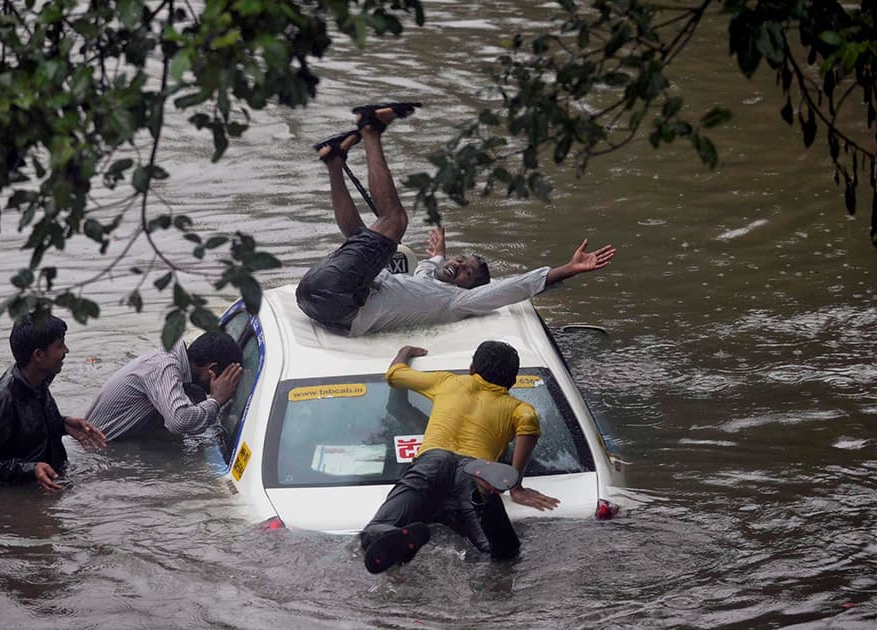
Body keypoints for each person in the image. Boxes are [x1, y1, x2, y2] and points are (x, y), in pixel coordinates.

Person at [296, 102, 618, 337]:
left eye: (466, 272)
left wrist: (568, 269)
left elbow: (515, 287)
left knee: (394, 220)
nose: (459, 266)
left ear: (472, 288)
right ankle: (335, 162)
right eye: (461, 260)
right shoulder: (424, 281)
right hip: (315, 295)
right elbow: (428, 267)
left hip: (335, 302)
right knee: (361, 236)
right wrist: (439, 254)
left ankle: (370, 129)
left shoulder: (460, 302)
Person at [360, 341, 559, 574]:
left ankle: (395, 535)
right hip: (473, 472)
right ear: (512, 381)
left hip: (431, 463)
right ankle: (488, 497)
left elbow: (395, 375)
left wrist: (405, 351)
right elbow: (529, 428)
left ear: (472, 368)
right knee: (497, 553)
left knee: (374, 529)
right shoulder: (519, 408)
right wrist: (516, 487)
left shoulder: (447, 382)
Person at [0, 313, 107, 492]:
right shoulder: (2, 399)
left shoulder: (39, 380)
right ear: (39, 355)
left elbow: (28, 427)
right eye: (60, 345)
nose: (66, 351)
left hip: (49, 486)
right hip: (19, 496)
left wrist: (62, 424)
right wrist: (30, 470)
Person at [84, 332, 243, 442]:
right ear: (213, 370)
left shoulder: (178, 368)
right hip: (91, 451)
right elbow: (179, 421)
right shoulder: (165, 366)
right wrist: (217, 399)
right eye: (228, 379)